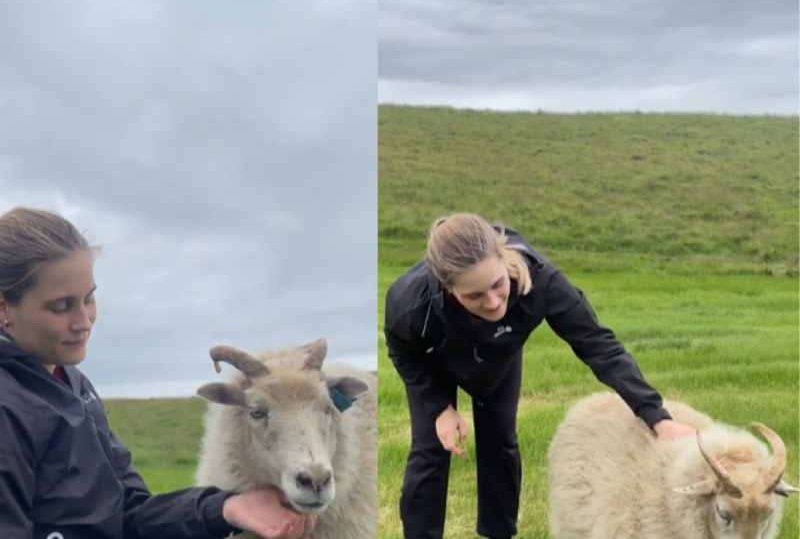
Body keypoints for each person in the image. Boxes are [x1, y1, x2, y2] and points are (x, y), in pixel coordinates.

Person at [0, 206, 317, 539]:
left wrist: (224, 509)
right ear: (4, 306)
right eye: (61, 306)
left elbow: (128, 512)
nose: (84, 321)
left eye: (89, 299)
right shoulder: (9, 409)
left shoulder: (73, 385)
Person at [383, 212, 696, 539]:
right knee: (430, 451)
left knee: (500, 441)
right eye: (474, 296)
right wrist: (440, 408)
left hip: (498, 357)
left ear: (504, 259)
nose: (492, 303)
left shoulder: (542, 281)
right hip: (436, 361)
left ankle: (499, 533)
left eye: (498, 284)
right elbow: (403, 352)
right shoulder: (411, 303)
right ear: (448, 288)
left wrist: (658, 417)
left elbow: (600, 347)